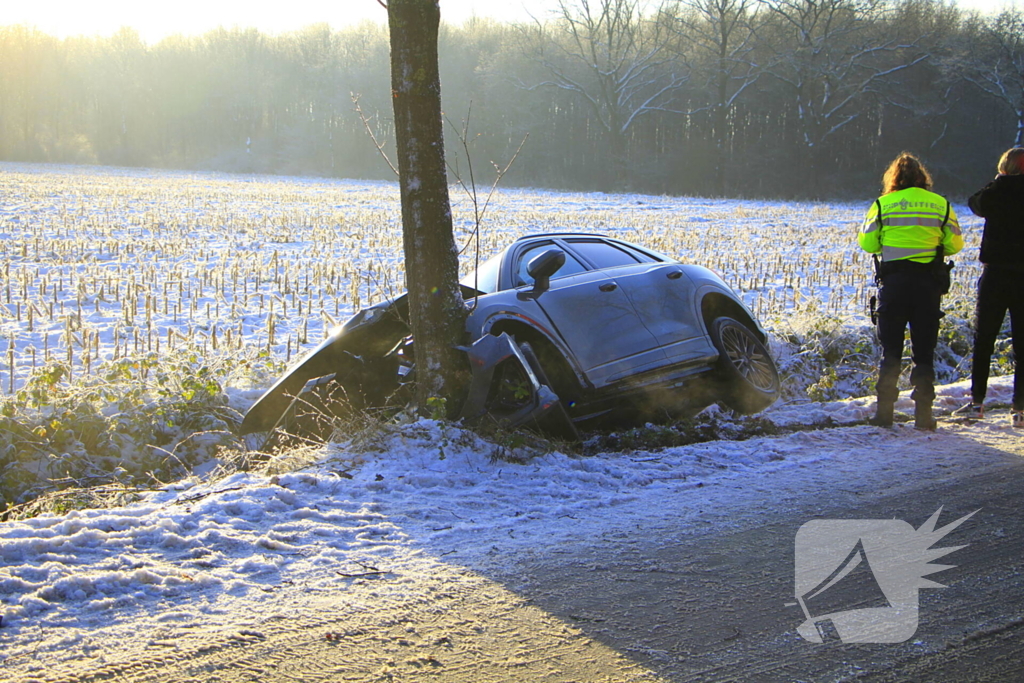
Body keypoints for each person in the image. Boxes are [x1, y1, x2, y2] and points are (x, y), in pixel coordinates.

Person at [858, 152, 964, 430]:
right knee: (924, 350)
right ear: (922, 177)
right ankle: (924, 416)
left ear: (893, 177)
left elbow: (868, 244)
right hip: (928, 286)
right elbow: (954, 245)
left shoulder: (883, 204)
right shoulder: (941, 204)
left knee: (890, 350)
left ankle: (884, 415)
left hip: (893, 285)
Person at [956, 147, 1024, 427]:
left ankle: (977, 402)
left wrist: (998, 180)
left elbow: (975, 203)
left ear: (1004, 167)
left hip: (995, 274)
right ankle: (1019, 409)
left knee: (984, 339)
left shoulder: (995, 192)